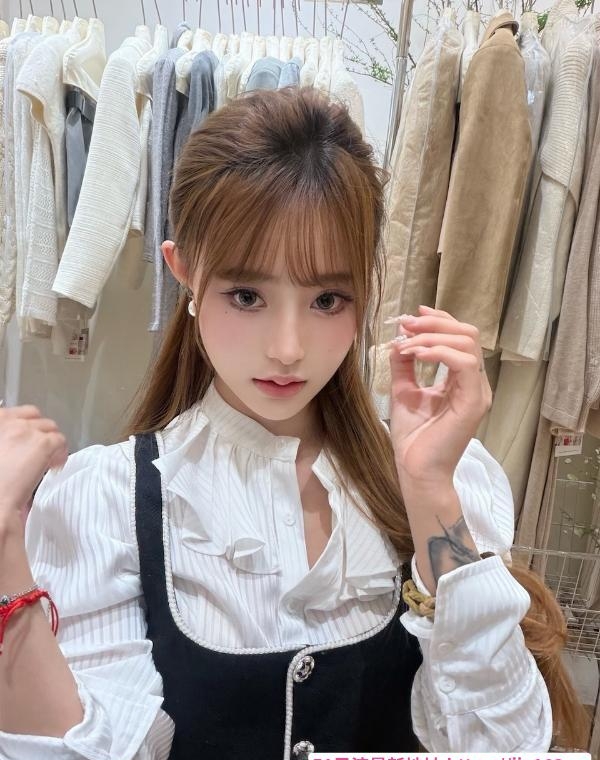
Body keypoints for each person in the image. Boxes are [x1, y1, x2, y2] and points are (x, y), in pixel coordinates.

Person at [0, 87, 586, 759]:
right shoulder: (107, 502)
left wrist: (430, 494)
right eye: (247, 295)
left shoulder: (442, 475)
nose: (287, 348)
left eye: (327, 299)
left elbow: (503, 745)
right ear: (183, 271)